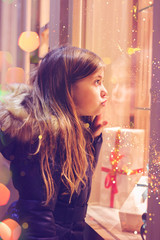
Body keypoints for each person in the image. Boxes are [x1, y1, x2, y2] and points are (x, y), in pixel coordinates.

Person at [0, 45, 108, 240]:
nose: (104, 91)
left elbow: (74, 188)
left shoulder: (73, 132)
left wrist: (91, 140)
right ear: (67, 88)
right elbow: (38, 212)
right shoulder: (44, 138)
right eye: (97, 82)